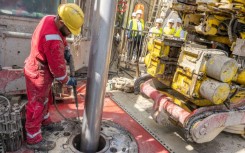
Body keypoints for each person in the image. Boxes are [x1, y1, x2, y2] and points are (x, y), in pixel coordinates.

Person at [24, 3, 84, 151]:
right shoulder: (53, 41)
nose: (70, 33)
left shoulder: (50, 19)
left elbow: (60, 36)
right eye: (69, 30)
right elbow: (58, 71)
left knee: (46, 99)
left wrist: (67, 48)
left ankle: (44, 122)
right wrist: (67, 80)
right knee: (37, 104)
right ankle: (33, 138)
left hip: (40, 66)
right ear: (62, 22)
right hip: (39, 71)